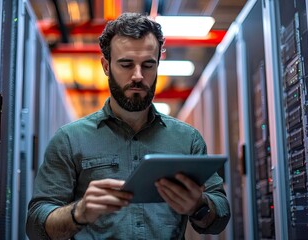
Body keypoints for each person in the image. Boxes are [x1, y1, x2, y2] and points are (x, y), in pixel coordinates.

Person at [26, 12, 230, 240]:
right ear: (106, 66)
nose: (138, 75)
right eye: (126, 64)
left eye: (148, 65)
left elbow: (220, 213)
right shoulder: (69, 139)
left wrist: (199, 206)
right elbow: (36, 224)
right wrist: (79, 212)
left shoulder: (187, 139)